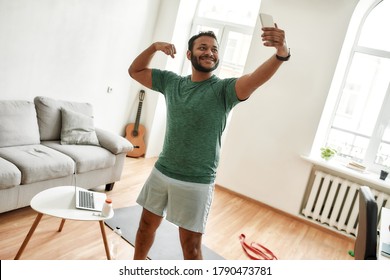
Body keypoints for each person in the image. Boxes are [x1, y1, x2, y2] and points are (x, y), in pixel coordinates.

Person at [128, 24, 290, 260]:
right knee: (144, 228)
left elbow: (255, 78)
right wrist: (154, 46)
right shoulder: (171, 82)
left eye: (214, 49)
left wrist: (281, 53)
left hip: (196, 181)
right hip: (162, 172)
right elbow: (135, 70)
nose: (210, 52)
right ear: (189, 54)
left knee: (191, 247)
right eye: (202, 47)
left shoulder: (224, 90)